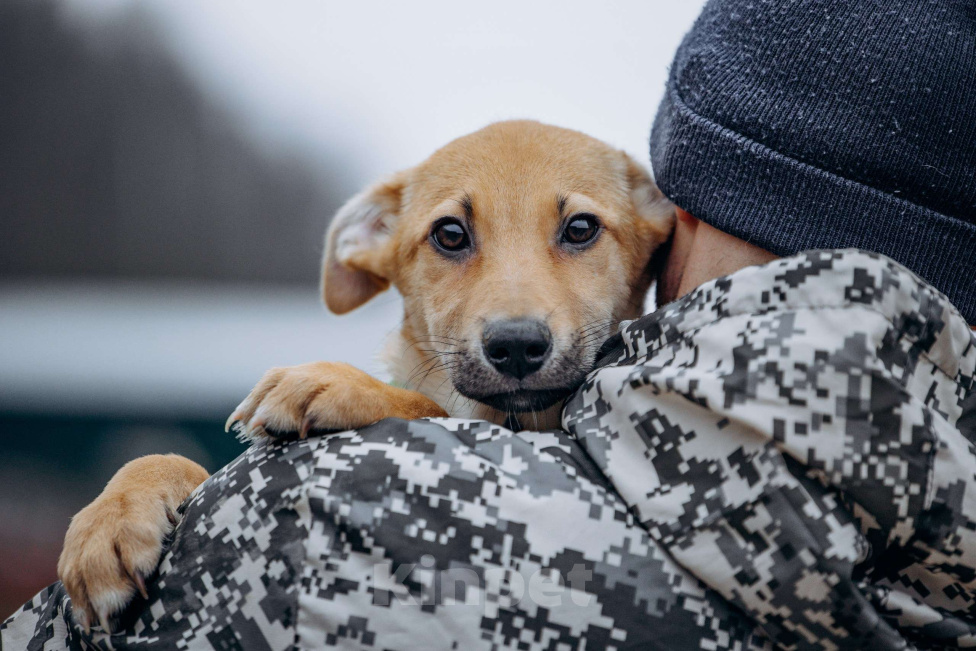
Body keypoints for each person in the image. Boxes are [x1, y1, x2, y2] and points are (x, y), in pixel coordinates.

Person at [4, 0, 974, 649]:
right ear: (374, 248)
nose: (517, 315)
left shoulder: (336, 523)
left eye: (576, 233)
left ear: (659, 239)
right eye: (455, 238)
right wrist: (157, 482)